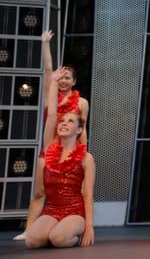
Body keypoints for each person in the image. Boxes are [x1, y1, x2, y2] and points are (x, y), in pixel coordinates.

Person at [14, 30, 89, 241]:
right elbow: (48, 68)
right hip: (49, 150)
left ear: (74, 81)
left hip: (71, 153)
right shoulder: (51, 96)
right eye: (61, 77)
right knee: (40, 192)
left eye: (68, 78)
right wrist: (45, 44)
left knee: (72, 193)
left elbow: (83, 129)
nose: (63, 81)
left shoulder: (81, 103)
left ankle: (73, 226)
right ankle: (30, 229)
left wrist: (84, 154)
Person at [25, 67, 95, 248]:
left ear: (79, 129)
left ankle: (69, 232)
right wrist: (53, 82)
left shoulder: (86, 159)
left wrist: (89, 227)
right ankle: (53, 229)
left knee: (58, 239)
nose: (64, 124)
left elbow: (88, 194)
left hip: (74, 211)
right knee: (32, 241)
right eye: (62, 121)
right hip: (52, 209)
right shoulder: (49, 149)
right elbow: (51, 115)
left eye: (70, 121)